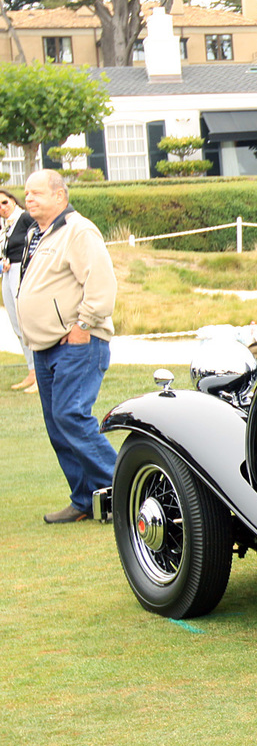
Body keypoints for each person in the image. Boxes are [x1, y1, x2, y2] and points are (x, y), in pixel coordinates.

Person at [15, 169, 118, 523]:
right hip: (46, 347)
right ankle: (86, 500)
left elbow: (101, 284)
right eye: (27, 193)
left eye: (37, 193)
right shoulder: (38, 234)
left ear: (60, 196)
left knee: (70, 416)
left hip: (78, 342)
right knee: (57, 424)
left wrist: (83, 325)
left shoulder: (79, 231)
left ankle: (126, 487)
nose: (29, 199)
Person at [1, 188, 37, 391]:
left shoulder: (24, 218)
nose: (2, 208)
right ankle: (31, 371)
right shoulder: (5, 226)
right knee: (16, 323)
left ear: (13, 201)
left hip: (21, 271)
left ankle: (39, 375)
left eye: (4, 202)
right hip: (7, 271)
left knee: (26, 322)